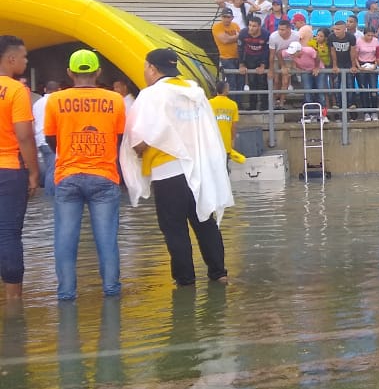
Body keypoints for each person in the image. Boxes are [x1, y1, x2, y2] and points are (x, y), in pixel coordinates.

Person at [121, 48, 232, 287]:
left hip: (167, 172)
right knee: (205, 222)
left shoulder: (151, 96)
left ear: (152, 68)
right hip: (200, 170)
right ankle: (219, 273)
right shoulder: (196, 92)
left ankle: (186, 281)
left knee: (175, 230)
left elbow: (137, 141)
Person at [44, 50, 127, 301]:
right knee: (107, 239)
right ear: (98, 72)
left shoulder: (55, 101)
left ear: (70, 73)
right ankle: (111, 292)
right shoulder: (115, 100)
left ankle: (66, 294)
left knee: (65, 239)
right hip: (104, 175)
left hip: (68, 174)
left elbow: (51, 141)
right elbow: (119, 139)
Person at [0, 36, 39, 299]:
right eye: (24, 57)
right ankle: (13, 299)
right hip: (10, 168)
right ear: (11, 59)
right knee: (9, 233)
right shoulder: (15, 90)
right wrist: (34, 173)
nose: (26, 61)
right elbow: (24, 135)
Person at [210, 80, 239, 156]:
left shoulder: (209, 103)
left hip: (212, 142)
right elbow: (234, 126)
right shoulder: (233, 105)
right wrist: (233, 140)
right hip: (226, 141)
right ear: (226, 90)